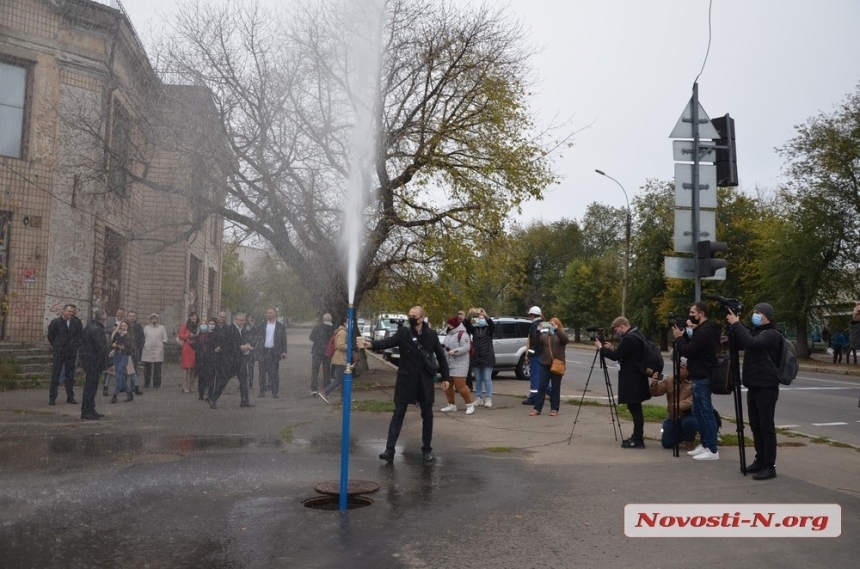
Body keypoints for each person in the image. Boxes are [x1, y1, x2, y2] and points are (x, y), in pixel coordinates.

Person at [359, 306, 450, 463]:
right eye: (409, 315)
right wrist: (371, 345)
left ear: (422, 318)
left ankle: (427, 450)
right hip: (406, 379)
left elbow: (441, 356)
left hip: (424, 380)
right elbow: (389, 342)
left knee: (427, 415)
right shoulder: (404, 332)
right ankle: (389, 450)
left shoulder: (431, 335)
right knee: (398, 414)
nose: (411, 318)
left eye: (414, 316)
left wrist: (446, 378)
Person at [726, 303, 783, 480]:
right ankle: (760, 460)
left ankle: (769, 466)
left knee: (766, 427)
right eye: (754, 312)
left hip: (766, 386)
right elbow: (745, 340)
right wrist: (734, 327)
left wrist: (737, 323)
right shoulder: (757, 331)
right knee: (756, 425)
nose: (755, 315)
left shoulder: (773, 334)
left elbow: (751, 342)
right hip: (754, 384)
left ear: (767, 315)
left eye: (758, 313)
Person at [672, 302, 722, 461]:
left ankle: (712, 449)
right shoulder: (702, 330)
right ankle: (705, 444)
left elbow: (688, 350)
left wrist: (680, 338)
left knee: (706, 413)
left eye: (693, 312)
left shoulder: (704, 332)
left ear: (701, 314)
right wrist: (686, 333)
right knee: (698, 412)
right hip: (698, 375)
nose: (690, 315)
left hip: (703, 376)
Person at [596, 316, 652, 448]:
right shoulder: (637, 334)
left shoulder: (629, 338)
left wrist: (601, 348)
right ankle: (637, 436)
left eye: (616, 330)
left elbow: (616, 357)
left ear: (622, 326)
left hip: (633, 378)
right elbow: (626, 354)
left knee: (635, 409)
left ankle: (638, 439)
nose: (616, 333)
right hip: (637, 377)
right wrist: (613, 348)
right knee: (635, 409)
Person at [650, 358, 698, 451]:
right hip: (673, 416)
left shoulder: (694, 382)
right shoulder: (670, 379)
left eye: (681, 368)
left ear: (688, 370)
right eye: (677, 368)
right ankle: (681, 434)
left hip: (688, 414)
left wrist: (679, 405)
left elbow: (694, 399)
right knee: (667, 443)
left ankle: (690, 439)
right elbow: (656, 392)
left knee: (689, 422)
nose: (678, 370)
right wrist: (654, 384)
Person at [208, 312, 254, 409]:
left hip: (240, 360)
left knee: (243, 381)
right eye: (241, 320)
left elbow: (246, 340)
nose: (242, 322)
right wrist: (239, 347)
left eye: (243, 320)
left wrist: (248, 345)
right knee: (222, 381)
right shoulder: (229, 330)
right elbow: (226, 345)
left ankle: (244, 401)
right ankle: (213, 399)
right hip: (230, 360)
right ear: (235, 320)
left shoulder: (244, 330)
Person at [530, 317, 568, 417]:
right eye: (550, 324)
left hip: (557, 364)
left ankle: (554, 408)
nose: (551, 326)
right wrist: (538, 331)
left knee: (556, 387)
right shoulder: (545, 335)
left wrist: (556, 330)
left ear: (558, 326)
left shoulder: (560, 335)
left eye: (553, 324)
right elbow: (537, 343)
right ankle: (537, 408)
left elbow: (565, 341)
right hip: (545, 363)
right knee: (542, 386)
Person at [47, 303, 83, 406]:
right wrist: (57, 345)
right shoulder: (55, 322)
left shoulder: (77, 322)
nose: (71, 313)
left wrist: (75, 345)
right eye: (69, 311)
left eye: (73, 312)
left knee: (70, 375)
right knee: (56, 375)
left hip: (71, 352)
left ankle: (70, 397)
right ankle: (52, 397)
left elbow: (80, 336)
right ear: (63, 311)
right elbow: (51, 336)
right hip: (59, 352)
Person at [440, 316, 475, 415]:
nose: (448, 326)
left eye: (450, 324)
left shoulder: (463, 334)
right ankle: (451, 405)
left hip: (460, 363)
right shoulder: (449, 334)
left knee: (460, 385)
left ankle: (469, 405)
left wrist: (455, 351)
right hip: (449, 362)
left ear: (454, 325)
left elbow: (467, 347)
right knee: (447, 385)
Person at [79, 310, 109, 420]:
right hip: (94, 362)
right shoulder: (97, 330)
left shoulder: (89, 327)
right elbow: (101, 348)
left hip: (88, 360)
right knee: (91, 387)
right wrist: (105, 361)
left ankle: (90, 408)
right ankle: (87, 410)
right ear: (102, 319)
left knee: (90, 386)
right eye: (105, 319)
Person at [256, 307, 288, 398]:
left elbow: (283, 340)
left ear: (275, 314)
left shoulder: (280, 326)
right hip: (263, 351)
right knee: (262, 372)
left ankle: (275, 392)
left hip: (274, 351)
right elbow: (257, 336)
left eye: (270, 313)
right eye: (267, 313)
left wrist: (284, 352)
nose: (268, 314)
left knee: (274, 373)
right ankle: (262, 391)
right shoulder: (262, 325)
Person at [469, 309, 495, 408]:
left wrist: (486, 316)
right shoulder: (474, 329)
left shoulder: (489, 330)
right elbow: (467, 324)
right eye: (479, 317)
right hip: (476, 357)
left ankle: (488, 398)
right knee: (478, 379)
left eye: (482, 317)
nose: (480, 319)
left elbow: (492, 325)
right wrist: (469, 316)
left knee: (487, 378)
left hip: (487, 357)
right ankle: (478, 398)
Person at [320, 317, 348, 404]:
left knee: (343, 379)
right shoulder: (343, 332)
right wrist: (349, 346)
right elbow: (340, 345)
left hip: (340, 359)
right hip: (340, 359)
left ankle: (344, 398)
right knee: (340, 379)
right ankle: (325, 392)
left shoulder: (340, 331)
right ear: (344, 323)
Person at [522, 306, 544, 406]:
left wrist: (528, 354)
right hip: (543, 354)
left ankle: (534, 398)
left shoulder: (534, 325)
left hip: (536, 355)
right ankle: (551, 393)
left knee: (535, 377)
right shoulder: (543, 324)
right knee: (541, 376)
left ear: (532, 315)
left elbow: (533, 342)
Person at [309, 313, 334, 397]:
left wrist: (319, 341)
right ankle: (327, 390)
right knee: (326, 371)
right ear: (330, 320)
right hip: (327, 352)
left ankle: (314, 389)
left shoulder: (317, 327)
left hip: (317, 351)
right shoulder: (333, 329)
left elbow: (311, 337)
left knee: (315, 370)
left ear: (323, 319)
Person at [109, 320, 134, 404]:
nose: (123, 327)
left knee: (119, 375)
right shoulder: (117, 334)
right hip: (116, 355)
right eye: (122, 325)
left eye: (125, 326)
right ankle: (129, 393)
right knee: (120, 376)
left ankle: (115, 395)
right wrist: (114, 345)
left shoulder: (129, 336)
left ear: (128, 327)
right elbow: (112, 344)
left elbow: (131, 349)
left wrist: (124, 349)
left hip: (124, 356)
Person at [141, 314, 168, 389]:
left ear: (157, 319)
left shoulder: (162, 328)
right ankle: (146, 383)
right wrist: (145, 345)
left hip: (158, 349)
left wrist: (162, 344)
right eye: (152, 318)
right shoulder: (146, 328)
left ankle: (157, 384)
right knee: (147, 368)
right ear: (150, 319)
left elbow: (165, 338)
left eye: (155, 318)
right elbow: (143, 337)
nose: (154, 320)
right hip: (148, 349)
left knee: (157, 368)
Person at [102, 307, 125, 396]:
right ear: (116, 313)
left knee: (122, 368)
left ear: (124, 314)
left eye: (121, 313)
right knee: (110, 368)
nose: (120, 315)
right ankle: (106, 387)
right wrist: (111, 330)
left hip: (122, 348)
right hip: (112, 347)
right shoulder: (111, 321)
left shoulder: (125, 322)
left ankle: (122, 386)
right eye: (118, 313)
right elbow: (103, 329)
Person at [195, 317, 217, 401]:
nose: (203, 325)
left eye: (205, 324)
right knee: (201, 377)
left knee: (210, 377)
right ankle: (201, 393)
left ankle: (210, 394)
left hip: (209, 358)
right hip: (200, 358)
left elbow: (213, 345)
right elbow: (196, 347)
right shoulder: (198, 336)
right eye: (201, 324)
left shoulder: (210, 335)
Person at [178, 312, 199, 393]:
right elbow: (180, 335)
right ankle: (184, 386)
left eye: (195, 316)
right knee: (185, 367)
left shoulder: (198, 326)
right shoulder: (186, 325)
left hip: (195, 347)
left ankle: (191, 385)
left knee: (194, 367)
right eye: (192, 316)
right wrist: (188, 336)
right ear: (190, 317)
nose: (194, 318)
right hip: (187, 348)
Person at [126, 311, 145, 395]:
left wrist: (139, 348)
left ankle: (133, 386)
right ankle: (124, 386)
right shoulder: (124, 326)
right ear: (128, 317)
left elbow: (141, 338)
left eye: (133, 316)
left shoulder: (138, 327)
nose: (132, 318)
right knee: (125, 369)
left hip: (135, 350)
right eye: (130, 316)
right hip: (126, 350)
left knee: (134, 368)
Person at [244, 315, 257, 391]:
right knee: (243, 368)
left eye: (252, 321)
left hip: (251, 351)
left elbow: (256, 339)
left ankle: (250, 383)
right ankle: (243, 382)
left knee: (250, 367)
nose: (250, 323)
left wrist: (251, 345)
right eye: (248, 321)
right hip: (244, 350)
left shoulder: (255, 330)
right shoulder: (244, 329)